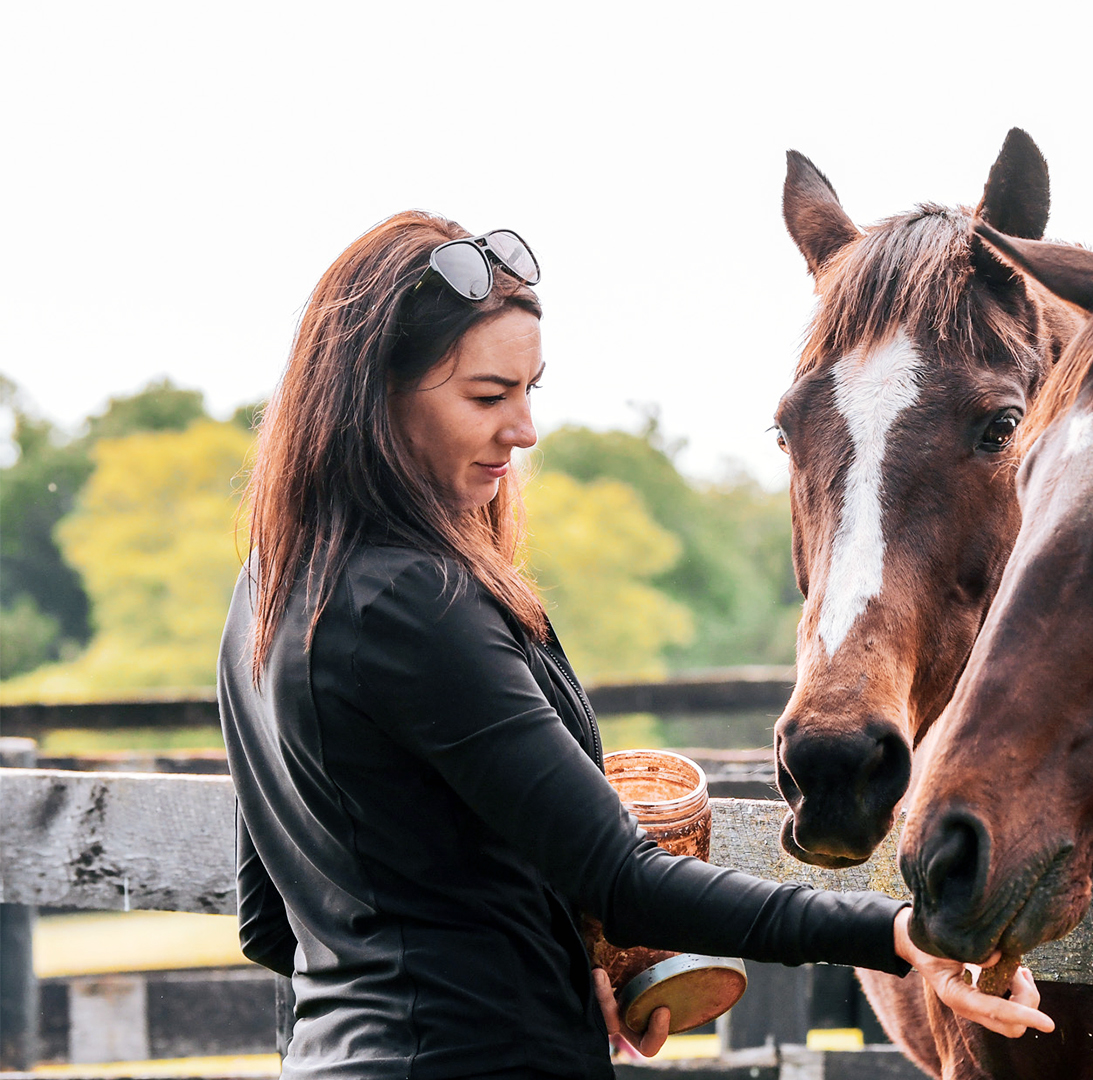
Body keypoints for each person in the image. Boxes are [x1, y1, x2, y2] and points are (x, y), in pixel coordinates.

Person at [218, 211, 1050, 1080]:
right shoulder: (417, 602)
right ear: (379, 395)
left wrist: (552, 968)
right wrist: (898, 933)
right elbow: (624, 881)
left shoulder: (267, 591)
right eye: (488, 397)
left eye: (531, 389)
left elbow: (270, 922)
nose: (525, 429)